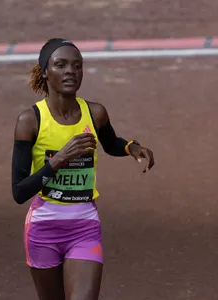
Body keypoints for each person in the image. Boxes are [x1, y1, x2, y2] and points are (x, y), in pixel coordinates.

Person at [11, 38, 155, 300]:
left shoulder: (95, 113)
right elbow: (19, 191)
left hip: (84, 227)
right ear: (45, 71)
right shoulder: (30, 121)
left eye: (77, 66)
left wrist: (132, 148)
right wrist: (58, 160)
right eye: (61, 65)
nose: (70, 71)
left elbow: (111, 143)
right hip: (43, 230)